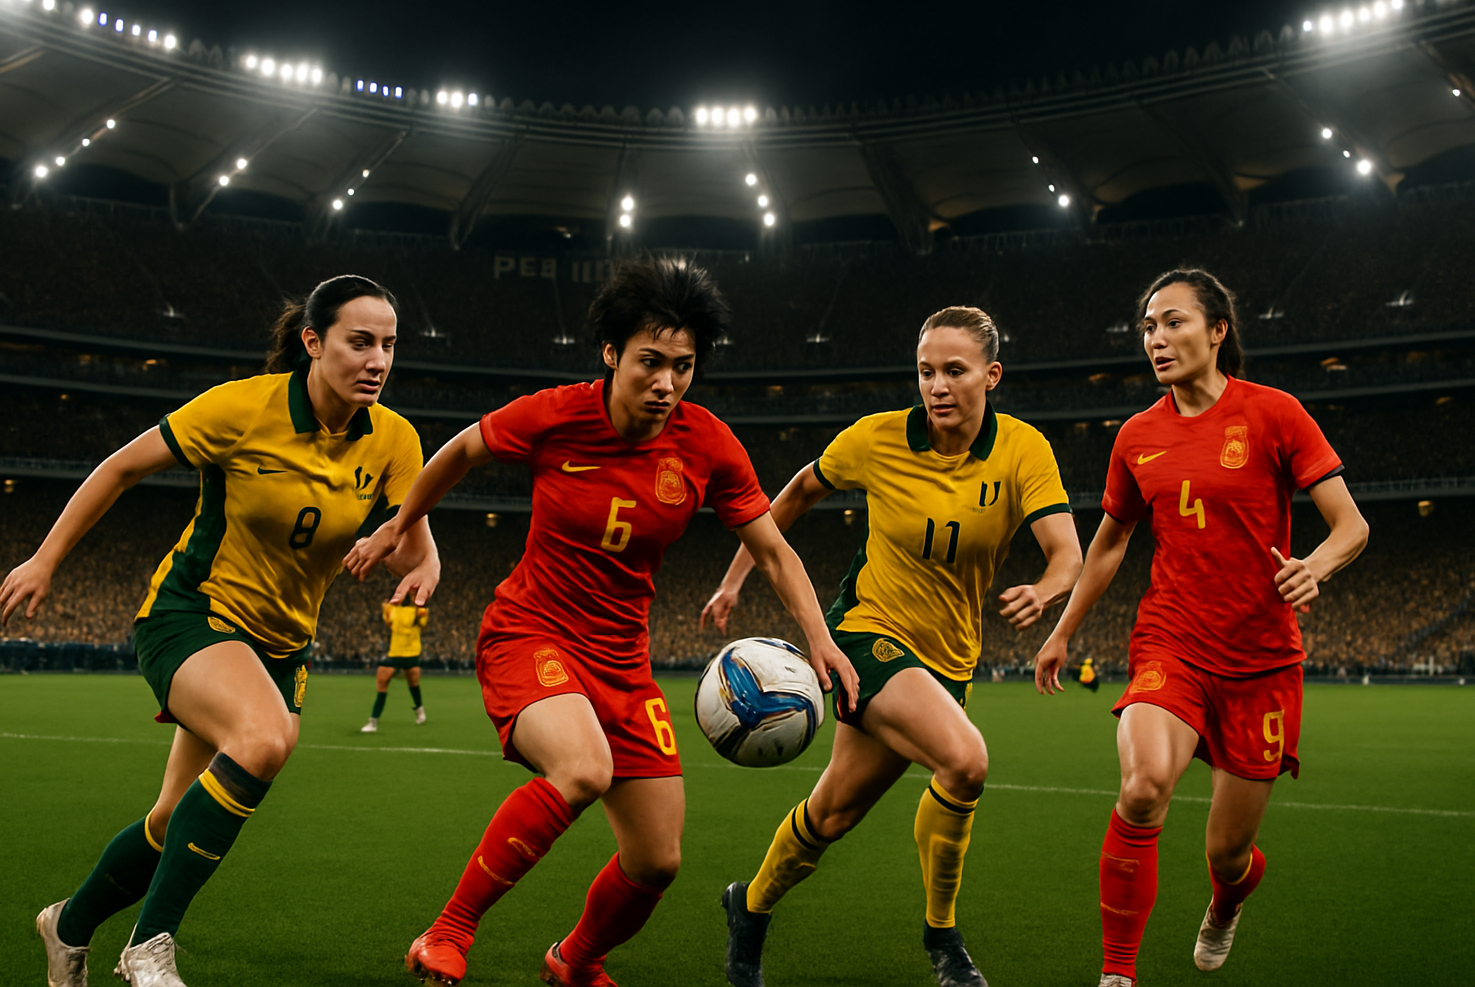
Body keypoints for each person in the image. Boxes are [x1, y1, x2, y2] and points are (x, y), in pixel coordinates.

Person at [345, 256, 860, 987]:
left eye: (683, 366)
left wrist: (820, 641)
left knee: (658, 858)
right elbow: (460, 450)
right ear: (611, 352)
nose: (666, 383)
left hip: (622, 663)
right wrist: (402, 527)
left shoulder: (707, 443)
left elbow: (773, 551)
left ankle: (576, 960)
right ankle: (448, 930)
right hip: (531, 633)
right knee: (583, 769)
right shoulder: (556, 415)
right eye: (650, 361)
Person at [1, 275, 437, 987]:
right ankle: (150, 945)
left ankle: (68, 927)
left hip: (282, 644)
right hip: (191, 615)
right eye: (360, 342)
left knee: (174, 820)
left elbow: (414, 532)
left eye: (389, 345)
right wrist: (45, 559)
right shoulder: (241, 408)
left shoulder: (393, 437)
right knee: (266, 740)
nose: (378, 360)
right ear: (312, 342)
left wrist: (427, 568)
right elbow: (120, 468)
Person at [702, 306, 1084, 987]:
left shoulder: (1023, 449)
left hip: (949, 659)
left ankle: (749, 907)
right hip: (865, 635)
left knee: (833, 812)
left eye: (955, 371)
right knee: (966, 761)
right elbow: (788, 497)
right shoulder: (876, 439)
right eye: (926, 371)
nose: (937, 385)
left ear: (991, 375)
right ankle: (944, 941)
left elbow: (1066, 555)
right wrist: (735, 580)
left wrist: (1047, 590)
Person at [1033, 269, 1369, 987]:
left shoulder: (1275, 414)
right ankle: (1116, 974)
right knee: (1145, 785)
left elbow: (1352, 526)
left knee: (1228, 853)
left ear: (1218, 331)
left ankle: (1226, 902)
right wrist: (1063, 629)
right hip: (1171, 641)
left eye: (1174, 322)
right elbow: (1111, 543)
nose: (1157, 338)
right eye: (1149, 326)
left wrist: (1317, 565)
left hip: (1262, 660)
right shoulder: (1137, 435)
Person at [362, 599, 430, 732]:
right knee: (385, 683)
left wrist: (387, 608)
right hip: (398, 653)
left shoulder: (405, 611)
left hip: (409, 652)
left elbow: (389, 624)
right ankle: (373, 721)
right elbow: (421, 626)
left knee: (413, 684)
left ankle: (420, 711)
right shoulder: (417, 611)